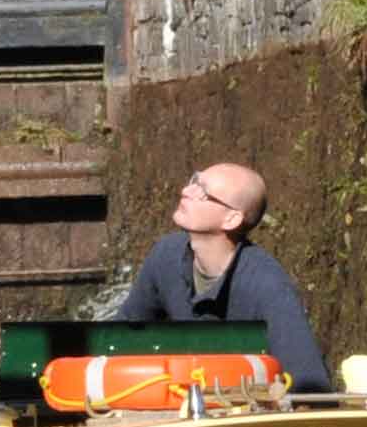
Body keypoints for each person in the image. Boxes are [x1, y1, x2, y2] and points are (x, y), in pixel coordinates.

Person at [110, 162, 332, 392]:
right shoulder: (165, 255)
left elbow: (311, 389)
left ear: (232, 219)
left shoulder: (268, 285)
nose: (185, 192)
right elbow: (119, 342)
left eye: (203, 193)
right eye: (193, 182)